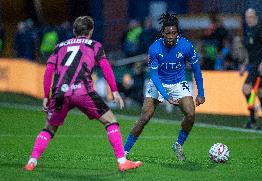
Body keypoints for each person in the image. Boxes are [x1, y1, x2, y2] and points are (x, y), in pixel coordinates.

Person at [23, 16, 142, 172]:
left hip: (60, 93)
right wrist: (114, 91)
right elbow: (106, 68)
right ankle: (122, 161)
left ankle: (32, 162)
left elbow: (48, 72)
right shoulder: (95, 45)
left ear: (74, 31)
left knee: (49, 128)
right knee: (110, 121)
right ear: (91, 31)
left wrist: (46, 95)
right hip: (83, 91)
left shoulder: (59, 47)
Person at [124, 13, 205, 161]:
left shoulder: (186, 46)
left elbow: (197, 69)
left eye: (174, 33)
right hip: (158, 83)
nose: (170, 36)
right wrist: (166, 97)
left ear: (177, 33)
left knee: (191, 114)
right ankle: (124, 152)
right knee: (145, 117)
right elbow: (154, 76)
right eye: (167, 33)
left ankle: (178, 145)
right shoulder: (154, 48)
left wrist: (201, 92)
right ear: (162, 33)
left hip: (178, 83)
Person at [240, 8, 262, 130]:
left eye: (251, 17)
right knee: (260, 92)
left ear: (256, 17)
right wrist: (244, 64)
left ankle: (253, 119)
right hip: (252, 65)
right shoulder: (248, 31)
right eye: (247, 17)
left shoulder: (260, 29)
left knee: (246, 89)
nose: (249, 19)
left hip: (258, 65)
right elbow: (250, 51)